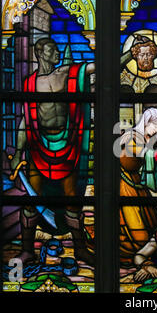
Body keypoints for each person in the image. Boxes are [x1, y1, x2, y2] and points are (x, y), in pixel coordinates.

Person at [10, 38, 95, 266]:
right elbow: (25, 121)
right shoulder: (29, 84)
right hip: (38, 146)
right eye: (52, 50)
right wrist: (19, 152)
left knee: (71, 199)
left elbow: (98, 66)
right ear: (40, 53)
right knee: (31, 200)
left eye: (57, 49)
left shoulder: (66, 73)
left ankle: (80, 250)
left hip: (66, 144)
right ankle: (27, 251)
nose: (57, 53)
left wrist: (127, 55)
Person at [119, 108, 157, 267]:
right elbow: (129, 160)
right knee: (138, 234)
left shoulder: (145, 138)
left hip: (136, 184)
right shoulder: (133, 137)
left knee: (152, 225)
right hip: (125, 186)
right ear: (146, 123)